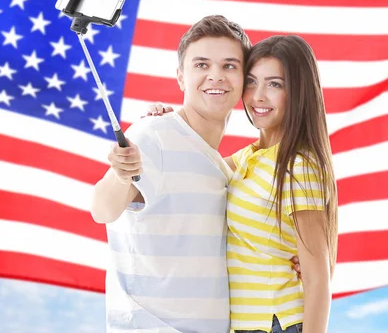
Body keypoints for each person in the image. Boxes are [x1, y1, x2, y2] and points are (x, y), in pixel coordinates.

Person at [144, 35, 338, 333]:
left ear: (298, 93)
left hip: (277, 323)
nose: (258, 96)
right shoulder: (249, 158)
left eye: (275, 84)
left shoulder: (298, 167)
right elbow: (196, 168)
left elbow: (317, 278)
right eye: (251, 82)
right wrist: (168, 126)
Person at [91, 15, 252, 333]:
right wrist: (120, 172)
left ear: (246, 78)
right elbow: (103, 209)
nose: (215, 76)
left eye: (229, 66)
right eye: (202, 65)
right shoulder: (153, 133)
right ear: (181, 77)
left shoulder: (221, 168)